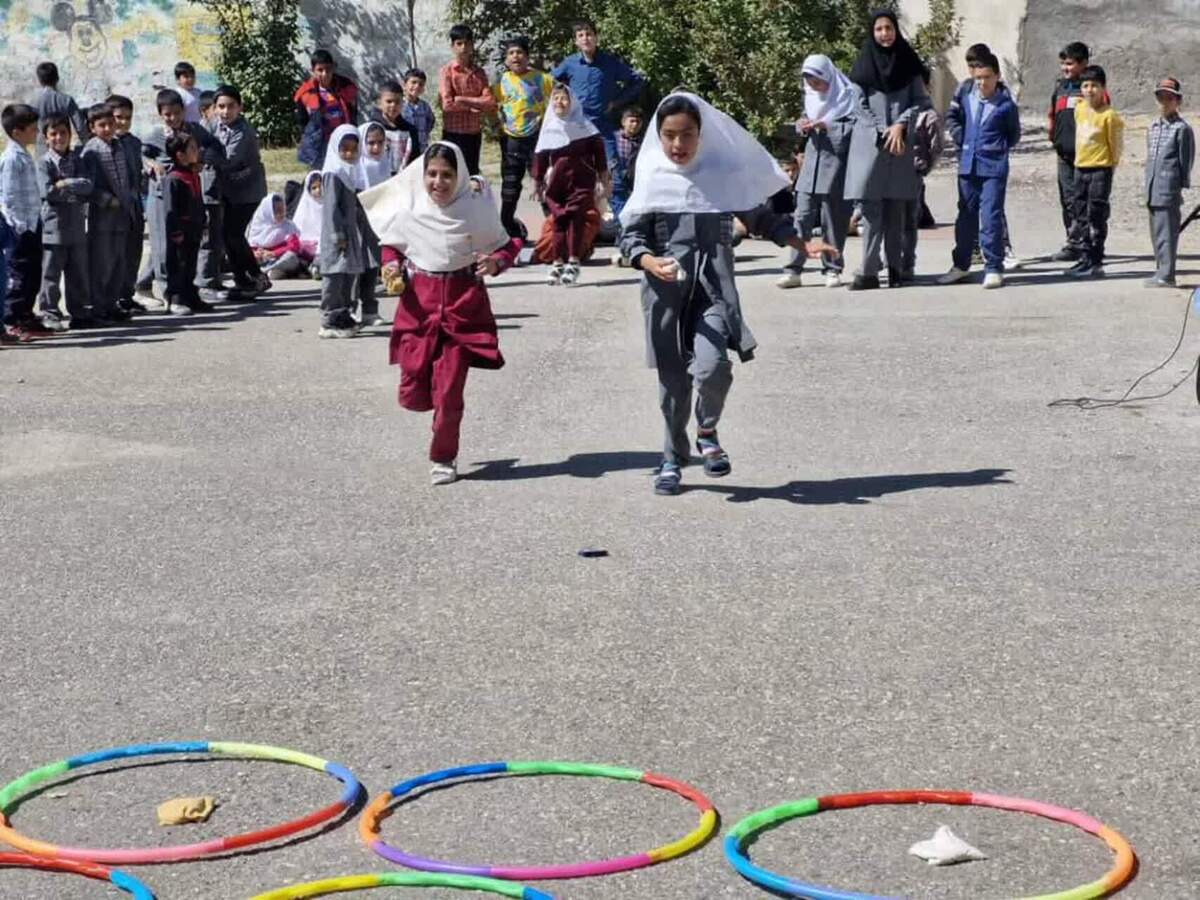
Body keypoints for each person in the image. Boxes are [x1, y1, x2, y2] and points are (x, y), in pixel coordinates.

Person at [618, 93, 835, 496]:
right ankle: (672, 459)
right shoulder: (652, 177)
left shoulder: (719, 176)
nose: (678, 144)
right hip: (665, 297)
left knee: (713, 367)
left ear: (702, 135)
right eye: (669, 135)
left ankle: (707, 429)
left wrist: (800, 243)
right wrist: (648, 261)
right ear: (658, 137)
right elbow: (630, 238)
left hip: (713, 292)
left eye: (687, 134)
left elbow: (760, 217)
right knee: (673, 385)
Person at [361, 142, 517, 485]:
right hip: (419, 308)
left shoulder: (474, 209)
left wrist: (495, 263)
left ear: (459, 177)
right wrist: (391, 267)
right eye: (431, 174)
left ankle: (444, 456)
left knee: (449, 392)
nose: (438, 182)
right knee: (413, 388)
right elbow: (392, 245)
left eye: (447, 175)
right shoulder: (410, 209)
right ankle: (431, 407)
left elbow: (508, 246)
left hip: (463, 309)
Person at [843, 9, 931, 291]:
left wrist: (900, 125)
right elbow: (859, 106)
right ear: (872, 32)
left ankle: (895, 269)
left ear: (896, 30)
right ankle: (869, 271)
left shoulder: (909, 65)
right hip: (871, 148)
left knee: (896, 212)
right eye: (879, 29)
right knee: (871, 213)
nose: (884, 34)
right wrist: (883, 129)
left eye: (889, 28)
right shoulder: (863, 67)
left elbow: (921, 102)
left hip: (900, 147)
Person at [938, 52, 1021, 289]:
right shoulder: (966, 96)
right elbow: (953, 118)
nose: (982, 82)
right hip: (968, 165)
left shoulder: (1006, 105)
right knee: (965, 215)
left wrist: (996, 148)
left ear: (997, 76)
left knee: (991, 216)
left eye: (987, 77)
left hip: (993, 167)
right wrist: (961, 138)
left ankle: (994, 267)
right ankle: (961, 264)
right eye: (978, 78)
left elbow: (1013, 135)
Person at [778, 54, 858, 290]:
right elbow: (804, 121)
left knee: (833, 220)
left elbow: (854, 130)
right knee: (801, 217)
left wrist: (828, 126)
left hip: (835, 168)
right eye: (809, 81)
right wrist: (802, 125)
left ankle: (832, 268)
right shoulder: (811, 98)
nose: (814, 86)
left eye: (817, 81)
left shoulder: (847, 97)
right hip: (810, 169)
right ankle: (793, 270)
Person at [532, 83, 607, 286]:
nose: (560, 102)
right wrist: (537, 181)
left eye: (564, 98)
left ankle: (573, 262)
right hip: (557, 182)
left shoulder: (585, 127)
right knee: (559, 220)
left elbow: (599, 154)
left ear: (572, 102)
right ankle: (557, 263)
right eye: (555, 98)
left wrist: (603, 179)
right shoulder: (549, 127)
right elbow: (541, 155)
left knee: (575, 219)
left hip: (581, 181)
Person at [552, 19, 646, 168]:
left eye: (589, 34)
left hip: (604, 125)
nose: (585, 38)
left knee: (611, 168)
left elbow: (637, 81)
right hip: (577, 124)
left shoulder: (610, 62)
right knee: (577, 168)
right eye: (581, 35)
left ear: (596, 38)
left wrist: (617, 102)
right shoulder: (570, 64)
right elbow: (552, 81)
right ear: (576, 41)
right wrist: (563, 104)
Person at [316, 124, 379, 338]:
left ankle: (342, 318)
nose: (350, 154)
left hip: (349, 235)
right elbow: (332, 210)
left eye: (354, 149)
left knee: (347, 276)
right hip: (337, 237)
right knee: (334, 277)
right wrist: (338, 237)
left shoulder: (349, 172)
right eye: (345, 149)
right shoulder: (333, 173)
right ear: (336, 149)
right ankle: (329, 320)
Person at [492, 35, 555, 239]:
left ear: (527, 57)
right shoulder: (501, 81)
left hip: (537, 139)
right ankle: (507, 229)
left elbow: (560, 98)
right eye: (511, 53)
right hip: (511, 140)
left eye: (519, 52)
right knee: (510, 187)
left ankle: (554, 229)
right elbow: (492, 105)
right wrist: (495, 125)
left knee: (543, 184)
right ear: (506, 59)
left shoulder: (542, 79)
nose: (515, 56)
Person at [1065, 65, 1123, 279]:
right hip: (1080, 167)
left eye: (1094, 86)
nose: (1090, 90)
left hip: (1100, 170)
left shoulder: (1109, 116)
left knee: (1096, 215)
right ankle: (1084, 257)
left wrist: (1110, 167)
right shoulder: (1079, 109)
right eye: (1086, 85)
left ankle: (1096, 260)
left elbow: (1115, 146)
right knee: (1080, 214)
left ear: (1103, 88)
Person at [212, 85, 270, 295]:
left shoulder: (244, 132)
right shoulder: (214, 125)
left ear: (240, 107)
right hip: (229, 190)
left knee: (233, 234)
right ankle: (243, 280)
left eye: (231, 106)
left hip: (248, 191)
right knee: (228, 235)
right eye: (221, 107)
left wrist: (201, 155)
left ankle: (255, 277)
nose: (225, 111)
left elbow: (228, 159)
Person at [36, 113, 92, 330]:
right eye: (53, 134)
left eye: (63, 133)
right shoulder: (44, 163)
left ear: (70, 135)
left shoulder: (78, 160)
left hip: (76, 225)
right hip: (54, 227)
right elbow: (48, 191)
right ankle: (50, 312)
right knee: (51, 273)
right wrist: (71, 188)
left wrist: (65, 183)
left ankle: (79, 312)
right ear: (46, 138)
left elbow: (88, 186)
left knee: (77, 272)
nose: (59, 138)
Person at [81, 102, 135, 323]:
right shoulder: (91, 151)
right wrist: (106, 199)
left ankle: (111, 304)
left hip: (121, 214)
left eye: (111, 124)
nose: (107, 129)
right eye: (102, 125)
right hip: (102, 216)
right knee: (101, 263)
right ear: (92, 127)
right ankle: (98, 307)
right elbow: (87, 186)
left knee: (118, 262)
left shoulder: (118, 145)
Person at [1048, 42, 1101, 262]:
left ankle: (1090, 245)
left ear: (1083, 63)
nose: (1065, 68)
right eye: (1063, 64)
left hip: (1086, 156)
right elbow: (1053, 116)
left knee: (1085, 201)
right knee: (1068, 199)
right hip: (1064, 154)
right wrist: (1054, 139)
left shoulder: (1091, 89)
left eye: (1070, 64)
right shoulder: (1061, 87)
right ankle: (1073, 243)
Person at [1, 104, 48, 340]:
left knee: (33, 272)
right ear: (17, 132)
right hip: (19, 227)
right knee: (18, 275)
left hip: (32, 223)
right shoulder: (11, 159)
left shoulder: (24, 153)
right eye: (32, 128)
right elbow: (9, 197)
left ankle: (26, 315)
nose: (37, 132)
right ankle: (12, 319)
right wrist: (19, 227)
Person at [1144, 77, 1194, 288]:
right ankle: (1160, 270)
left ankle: (1167, 274)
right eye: (1161, 97)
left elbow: (1185, 160)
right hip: (1152, 187)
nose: (1165, 102)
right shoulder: (1153, 127)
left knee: (1167, 234)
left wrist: (1178, 185)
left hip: (1168, 188)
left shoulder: (1182, 129)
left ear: (1177, 101)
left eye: (1169, 98)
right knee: (1156, 233)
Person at [107, 94, 149, 314]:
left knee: (133, 252)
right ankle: (111, 299)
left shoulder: (134, 143)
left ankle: (126, 295)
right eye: (118, 117)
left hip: (134, 205)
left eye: (127, 118)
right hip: (112, 209)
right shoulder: (102, 145)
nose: (123, 122)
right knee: (114, 255)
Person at [162, 133, 210, 315]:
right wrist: (175, 231)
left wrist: (202, 221)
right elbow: (170, 209)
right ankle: (175, 298)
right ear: (180, 155)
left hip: (194, 228)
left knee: (190, 264)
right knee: (178, 265)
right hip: (180, 230)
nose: (197, 151)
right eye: (192, 149)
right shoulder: (174, 178)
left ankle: (190, 295)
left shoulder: (192, 174)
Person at [438, 24, 496, 175]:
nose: (463, 48)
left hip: (473, 133)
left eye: (467, 43)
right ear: (452, 46)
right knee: (451, 174)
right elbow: (447, 105)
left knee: (471, 175)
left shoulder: (479, 73)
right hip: (453, 133)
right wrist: (473, 106)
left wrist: (461, 99)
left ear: (472, 46)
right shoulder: (447, 72)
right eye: (459, 43)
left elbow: (489, 102)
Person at [295, 49, 359, 167]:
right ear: (313, 70)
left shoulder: (346, 87)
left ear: (333, 68)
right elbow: (302, 122)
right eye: (320, 70)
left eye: (328, 69)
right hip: (320, 144)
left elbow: (353, 114)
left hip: (343, 141)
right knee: (321, 174)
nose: (325, 74)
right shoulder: (305, 93)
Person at [247, 192, 315, 279]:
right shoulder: (257, 226)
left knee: (291, 256)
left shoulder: (288, 226)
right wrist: (257, 253)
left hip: (280, 258)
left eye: (282, 210)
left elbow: (294, 246)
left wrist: (274, 253)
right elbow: (251, 246)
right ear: (267, 212)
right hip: (263, 259)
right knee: (245, 257)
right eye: (277, 211)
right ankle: (274, 272)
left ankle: (263, 271)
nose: (281, 213)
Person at [367, 80, 418, 174]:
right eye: (389, 101)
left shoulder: (410, 130)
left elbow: (414, 159)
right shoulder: (370, 129)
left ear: (403, 103)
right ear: (379, 102)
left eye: (397, 102)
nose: (393, 105)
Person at [34, 61, 87, 145]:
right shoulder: (66, 100)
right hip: (62, 142)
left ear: (40, 81)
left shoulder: (34, 102)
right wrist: (85, 143)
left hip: (42, 144)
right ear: (57, 78)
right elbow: (80, 126)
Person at [610, 105, 643, 224]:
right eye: (632, 121)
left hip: (633, 179)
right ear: (623, 122)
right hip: (616, 177)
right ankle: (621, 228)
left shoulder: (642, 141)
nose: (635, 124)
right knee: (619, 206)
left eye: (638, 121)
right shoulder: (613, 138)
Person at [293, 171, 324, 278]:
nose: (318, 191)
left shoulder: (330, 206)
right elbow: (297, 232)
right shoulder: (304, 206)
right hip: (306, 250)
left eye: (320, 187)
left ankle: (315, 268)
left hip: (323, 249)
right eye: (314, 188)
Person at [400, 68, 435, 155]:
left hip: (421, 149)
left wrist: (423, 133)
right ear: (404, 85)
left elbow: (431, 121)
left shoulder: (425, 107)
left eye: (421, 84)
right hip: (403, 150)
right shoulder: (399, 105)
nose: (417, 86)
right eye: (413, 82)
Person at [359, 121, 393, 188]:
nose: (376, 147)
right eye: (371, 143)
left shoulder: (385, 162)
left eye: (380, 142)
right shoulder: (357, 169)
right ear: (362, 143)